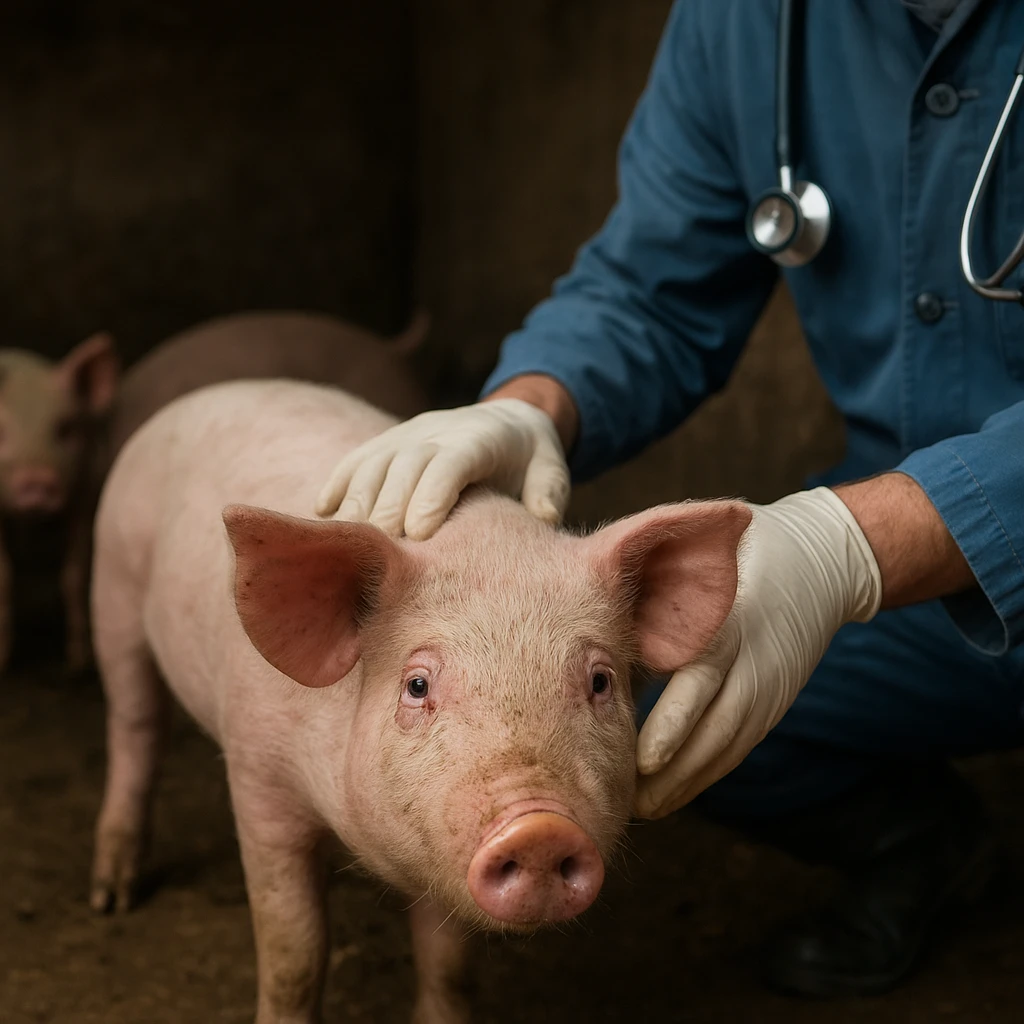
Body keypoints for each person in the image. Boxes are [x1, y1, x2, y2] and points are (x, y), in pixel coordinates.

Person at [316, 0, 1024, 999]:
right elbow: (653, 286)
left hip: (909, 541)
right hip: (925, 585)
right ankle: (923, 842)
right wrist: (532, 406)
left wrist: (850, 545)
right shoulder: (749, 20)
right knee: (667, 706)